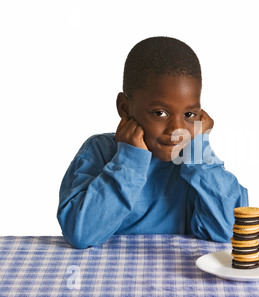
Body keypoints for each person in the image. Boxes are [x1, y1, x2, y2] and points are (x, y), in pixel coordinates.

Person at [57, 36, 248, 249]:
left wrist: (198, 154)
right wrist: (129, 161)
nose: (176, 130)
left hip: (177, 275)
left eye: (189, 113)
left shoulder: (193, 159)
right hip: (109, 276)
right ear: (124, 108)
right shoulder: (99, 152)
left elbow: (230, 230)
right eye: (160, 113)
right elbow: (80, 234)